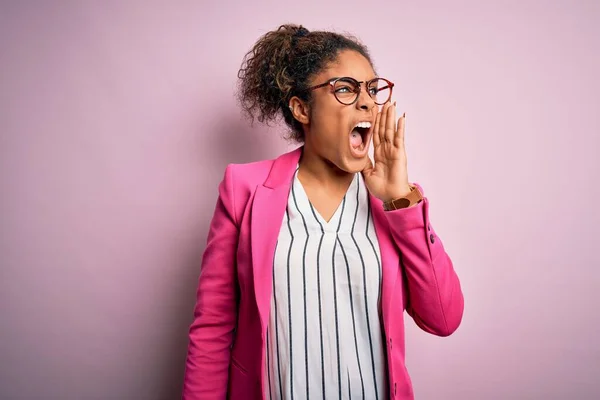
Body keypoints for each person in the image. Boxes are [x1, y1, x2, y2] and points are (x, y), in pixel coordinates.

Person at [182, 24, 464, 400]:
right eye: (346, 89)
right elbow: (213, 329)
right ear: (301, 109)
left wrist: (399, 198)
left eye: (371, 89)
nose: (367, 101)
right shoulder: (244, 190)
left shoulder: (396, 204)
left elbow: (443, 319)